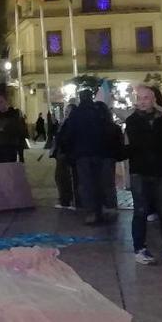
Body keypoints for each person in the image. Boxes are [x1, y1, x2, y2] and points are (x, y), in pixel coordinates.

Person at [125, 86, 162, 264]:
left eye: (146, 98)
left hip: (160, 171)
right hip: (140, 171)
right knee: (140, 210)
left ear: (153, 100)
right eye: (140, 98)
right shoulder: (132, 121)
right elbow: (137, 144)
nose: (142, 101)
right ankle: (139, 247)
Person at [58, 90, 118, 224]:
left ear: (80, 98)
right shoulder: (99, 112)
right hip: (100, 153)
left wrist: (69, 153)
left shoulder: (76, 114)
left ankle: (91, 212)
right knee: (101, 182)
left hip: (82, 155)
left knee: (86, 184)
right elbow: (109, 130)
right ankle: (105, 208)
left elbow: (68, 135)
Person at [0, 95, 26, 164]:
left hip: (10, 148)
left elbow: (19, 131)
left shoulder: (14, 115)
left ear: (6, 102)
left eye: (1, 102)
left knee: (10, 170)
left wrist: (3, 129)